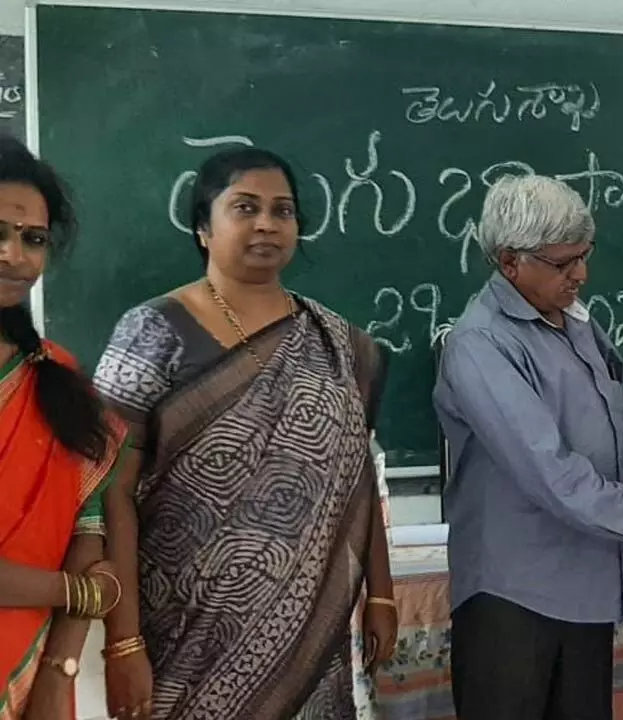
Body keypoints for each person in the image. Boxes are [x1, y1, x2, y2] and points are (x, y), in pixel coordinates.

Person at [94, 146, 397, 720]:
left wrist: (379, 592)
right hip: (181, 635)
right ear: (204, 228)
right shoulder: (153, 331)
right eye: (245, 207)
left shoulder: (337, 343)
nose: (266, 223)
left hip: (309, 640)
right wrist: (123, 640)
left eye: (282, 211)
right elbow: (108, 491)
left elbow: (355, 478)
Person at [432, 174, 623, 720]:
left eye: (584, 255)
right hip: (516, 597)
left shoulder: (575, 323)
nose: (582, 273)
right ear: (509, 262)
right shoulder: (480, 345)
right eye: (564, 262)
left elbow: (599, 436)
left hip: (584, 587)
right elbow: (553, 475)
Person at [0, 135, 126, 719]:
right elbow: (89, 579)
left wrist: (59, 672)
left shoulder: (56, 375)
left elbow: (89, 523)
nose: (14, 255)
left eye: (33, 239)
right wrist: (80, 593)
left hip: (34, 679)